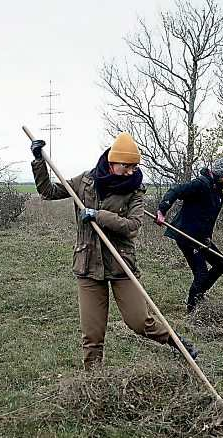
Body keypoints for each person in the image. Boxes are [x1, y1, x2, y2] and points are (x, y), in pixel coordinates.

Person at [30, 132, 199, 370]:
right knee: (92, 334)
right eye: (126, 166)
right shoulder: (85, 181)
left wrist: (99, 215)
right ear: (112, 162)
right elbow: (48, 191)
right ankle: (93, 384)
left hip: (120, 264)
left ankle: (177, 343)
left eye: (134, 166)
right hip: (88, 265)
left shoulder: (135, 192)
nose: (131, 171)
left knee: (140, 322)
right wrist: (39, 160)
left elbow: (132, 227)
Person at [154, 158, 223, 312]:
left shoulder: (217, 192)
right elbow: (176, 191)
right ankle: (192, 310)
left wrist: (208, 237)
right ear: (219, 175)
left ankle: (199, 294)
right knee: (201, 274)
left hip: (201, 238)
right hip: (186, 236)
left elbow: (208, 218)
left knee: (221, 264)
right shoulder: (201, 184)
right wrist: (162, 210)